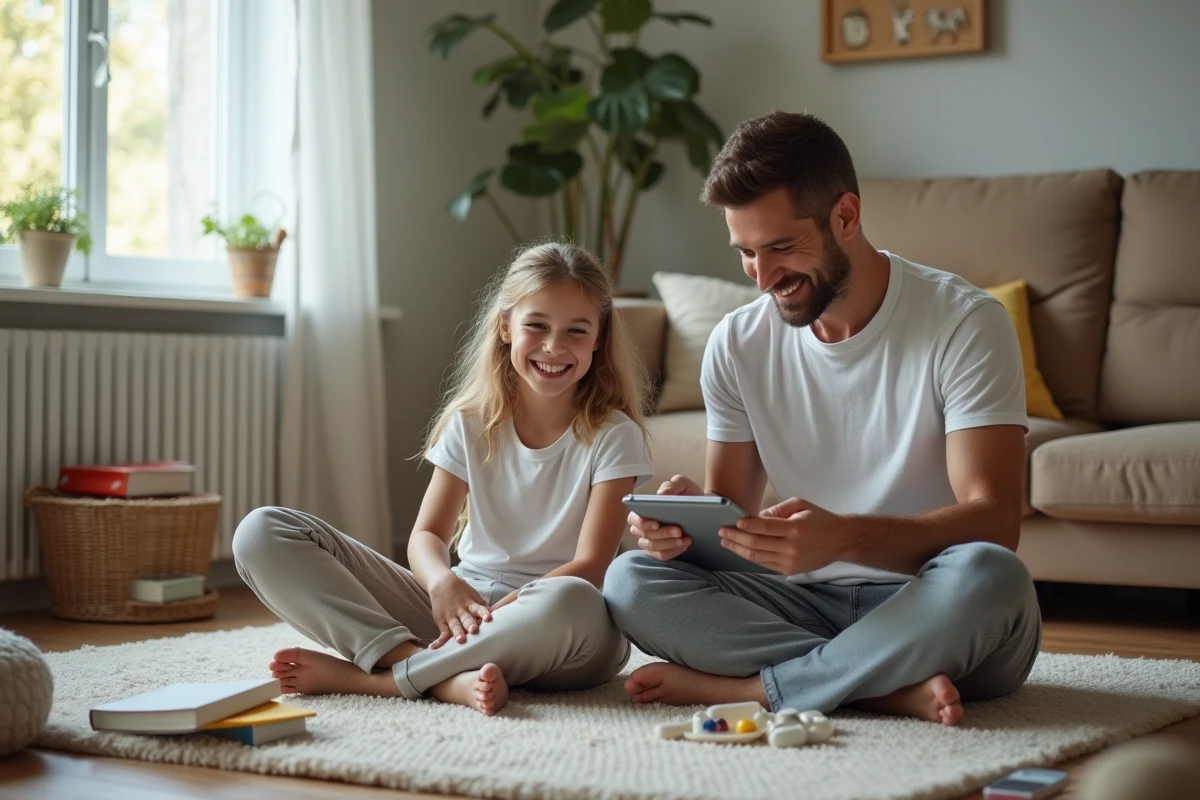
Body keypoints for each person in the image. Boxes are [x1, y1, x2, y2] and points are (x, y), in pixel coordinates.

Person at [604, 110, 1041, 727]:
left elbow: (995, 521)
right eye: (746, 253)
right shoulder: (736, 343)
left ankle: (762, 688)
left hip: (933, 605)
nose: (763, 276)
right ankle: (878, 689)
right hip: (800, 606)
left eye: (782, 247)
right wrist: (685, 529)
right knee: (630, 581)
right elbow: (735, 522)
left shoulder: (964, 323)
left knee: (991, 576)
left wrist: (848, 537)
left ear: (846, 217)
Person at [234, 241, 653, 716]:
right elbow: (428, 535)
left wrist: (503, 614)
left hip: (562, 631)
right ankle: (425, 668)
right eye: (536, 325)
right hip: (462, 615)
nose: (554, 346)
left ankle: (383, 681)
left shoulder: (614, 435)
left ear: (598, 339)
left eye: (576, 331)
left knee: (571, 598)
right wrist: (441, 586)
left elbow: (591, 565)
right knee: (262, 532)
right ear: (505, 327)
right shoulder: (471, 422)